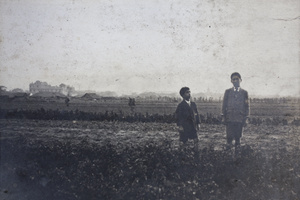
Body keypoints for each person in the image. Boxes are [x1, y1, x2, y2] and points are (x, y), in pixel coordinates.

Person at [221, 72, 250, 151]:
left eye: (237, 79)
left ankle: (237, 159)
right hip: (230, 119)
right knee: (229, 139)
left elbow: (247, 106)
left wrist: (246, 118)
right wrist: (223, 116)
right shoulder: (228, 92)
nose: (235, 81)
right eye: (233, 79)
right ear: (231, 81)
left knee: (238, 139)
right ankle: (228, 158)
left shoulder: (244, 93)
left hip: (239, 119)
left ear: (241, 80)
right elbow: (224, 105)